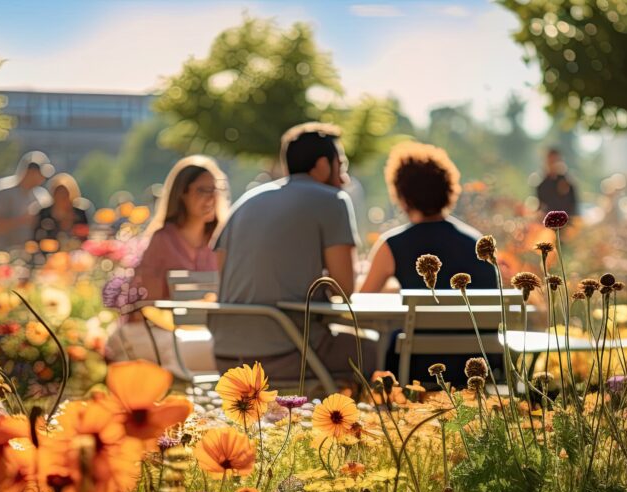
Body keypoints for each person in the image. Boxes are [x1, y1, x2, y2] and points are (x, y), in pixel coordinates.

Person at [211, 122, 375, 384]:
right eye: (341, 166)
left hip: (225, 356)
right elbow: (344, 288)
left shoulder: (246, 202)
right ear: (322, 165)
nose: (344, 179)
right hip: (287, 352)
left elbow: (222, 268)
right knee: (378, 349)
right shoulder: (332, 200)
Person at [360, 141, 498, 387]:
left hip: (416, 367)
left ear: (402, 196)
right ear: (448, 188)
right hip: (477, 366)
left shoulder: (392, 244)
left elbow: (360, 305)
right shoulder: (478, 243)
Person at [105, 156, 229, 376]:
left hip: (209, 332)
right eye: (202, 190)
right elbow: (148, 304)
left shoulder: (223, 240)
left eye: (215, 189)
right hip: (164, 330)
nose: (211, 197)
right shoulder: (162, 240)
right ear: (182, 193)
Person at [0, 151, 53, 255]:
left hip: (33, 255)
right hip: (4, 253)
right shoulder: (4, 191)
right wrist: (23, 220)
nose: (43, 179)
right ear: (29, 171)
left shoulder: (42, 196)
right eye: (40, 174)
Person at [31, 173, 91, 262]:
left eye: (64, 193)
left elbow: (86, 237)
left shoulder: (80, 213)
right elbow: (36, 238)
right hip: (49, 258)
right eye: (58, 193)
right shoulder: (44, 213)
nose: (61, 197)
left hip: (76, 258)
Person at [536, 148, 578, 216]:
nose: (553, 165)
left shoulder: (568, 183)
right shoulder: (542, 186)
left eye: (556, 161)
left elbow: (572, 207)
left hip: (567, 222)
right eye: (551, 161)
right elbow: (541, 208)